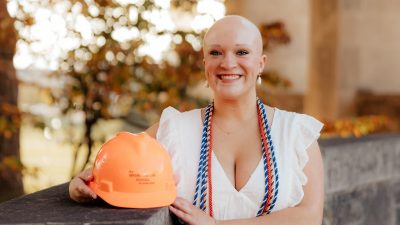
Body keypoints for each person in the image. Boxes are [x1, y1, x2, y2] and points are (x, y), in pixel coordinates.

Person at [69, 15, 324, 225]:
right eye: (215, 53)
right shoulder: (175, 130)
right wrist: (78, 187)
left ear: (261, 64)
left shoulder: (296, 133)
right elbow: (114, 165)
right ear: (205, 65)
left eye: (242, 52)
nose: (228, 63)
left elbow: (310, 216)